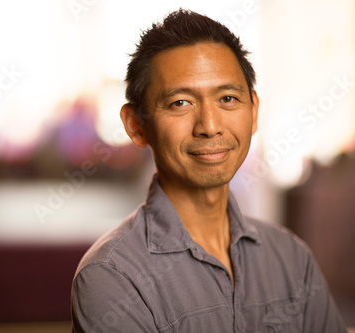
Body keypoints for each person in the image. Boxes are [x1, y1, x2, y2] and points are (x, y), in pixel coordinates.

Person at [71, 9, 348, 332]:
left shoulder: (290, 257)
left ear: (254, 112)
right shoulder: (113, 277)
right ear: (136, 125)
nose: (210, 126)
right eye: (180, 103)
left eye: (227, 98)